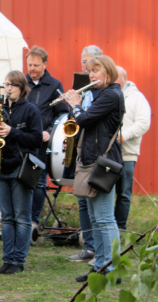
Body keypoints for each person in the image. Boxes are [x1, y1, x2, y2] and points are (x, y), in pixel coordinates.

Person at [65, 55, 124, 282]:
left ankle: (112, 269)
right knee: (95, 218)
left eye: (96, 70)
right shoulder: (99, 94)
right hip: (91, 161)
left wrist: (76, 104)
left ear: (107, 72)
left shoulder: (112, 94)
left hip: (104, 163)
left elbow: (85, 119)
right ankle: (99, 266)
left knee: (105, 218)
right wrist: (75, 106)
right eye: (89, 71)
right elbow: (81, 120)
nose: (91, 75)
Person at [0, 70, 43, 275]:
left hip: (20, 168)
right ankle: (7, 259)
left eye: (12, 85)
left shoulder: (30, 110)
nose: (8, 88)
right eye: (6, 84)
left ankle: (19, 260)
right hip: (0, 168)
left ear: (21, 88)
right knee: (7, 217)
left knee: (22, 217)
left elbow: (36, 139)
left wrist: (12, 132)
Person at [67, 45, 104, 264]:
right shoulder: (82, 86)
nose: (85, 68)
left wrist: (78, 106)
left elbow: (89, 117)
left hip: (95, 151)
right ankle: (88, 246)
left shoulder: (102, 91)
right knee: (82, 199)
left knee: (98, 205)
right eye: (83, 63)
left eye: (89, 63)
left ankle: (100, 251)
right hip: (81, 148)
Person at [25, 46, 68, 228]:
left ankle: (34, 221)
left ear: (44, 64)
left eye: (35, 65)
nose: (32, 69)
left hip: (42, 142)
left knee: (39, 181)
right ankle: (22, 220)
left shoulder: (55, 85)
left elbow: (62, 114)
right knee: (22, 180)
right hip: (23, 139)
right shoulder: (21, 82)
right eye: (29, 65)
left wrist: (49, 131)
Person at [114, 66, 150, 230]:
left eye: (115, 77)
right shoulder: (108, 94)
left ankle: (120, 229)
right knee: (104, 192)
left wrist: (125, 136)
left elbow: (143, 123)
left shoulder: (137, 98)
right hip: (107, 153)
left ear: (124, 78)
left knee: (123, 194)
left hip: (127, 154)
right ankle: (107, 229)